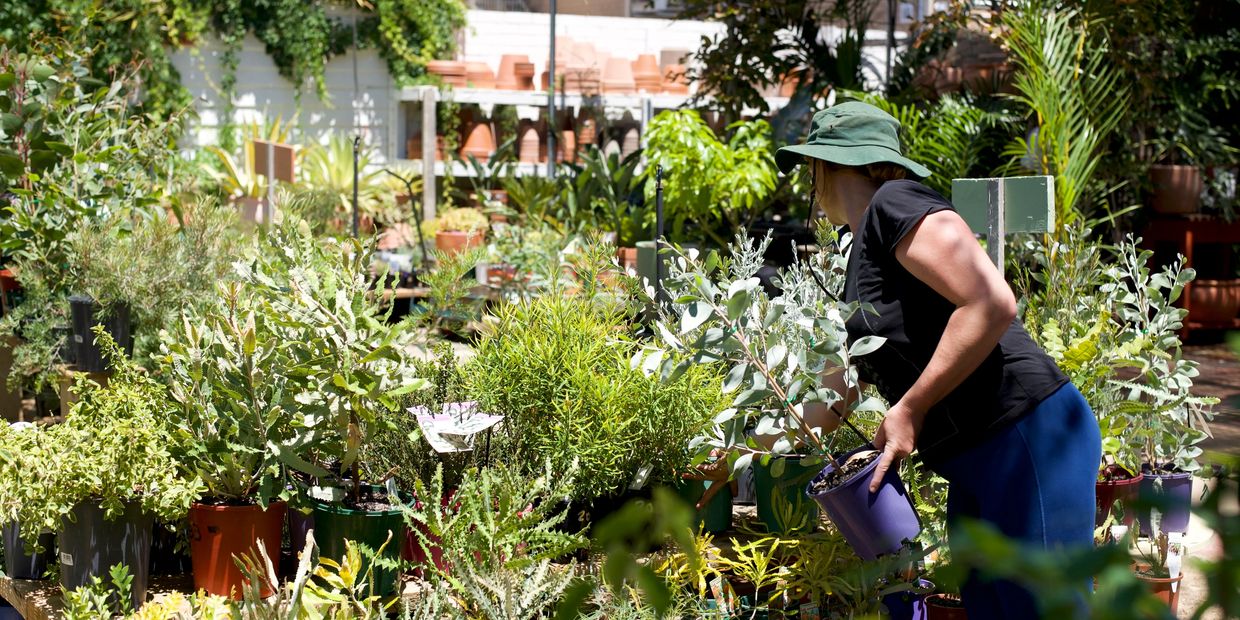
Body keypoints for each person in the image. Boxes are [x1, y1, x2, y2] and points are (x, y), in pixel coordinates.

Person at [766, 101, 1099, 619]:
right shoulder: (864, 251)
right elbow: (837, 396)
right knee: (992, 606)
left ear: (826, 165)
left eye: (810, 167)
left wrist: (910, 408)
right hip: (975, 454)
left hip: (1026, 434)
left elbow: (991, 302)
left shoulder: (894, 203)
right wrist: (738, 453)